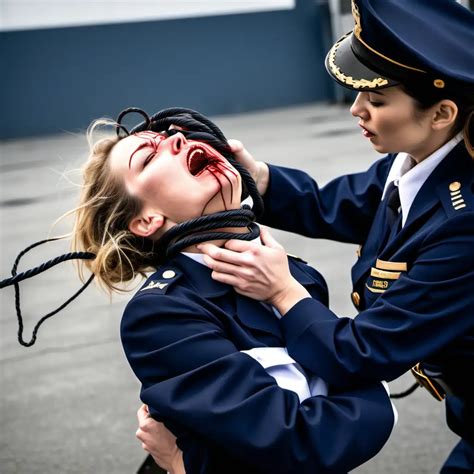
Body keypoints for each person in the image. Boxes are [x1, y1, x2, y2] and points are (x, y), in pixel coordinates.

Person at [195, 1, 474, 472]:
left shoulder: (464, 220)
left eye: (378, 100)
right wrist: (256, 176)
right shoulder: (417, 164)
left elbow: (361, 354)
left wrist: (282, 291)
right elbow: (336, 206)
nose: (356, 109)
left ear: (442, 112)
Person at [70, 107, 397, 474]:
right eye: (147, 158)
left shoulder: (294, 276)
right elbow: (305, 444)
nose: (177, 138)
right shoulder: (161, 316)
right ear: (147, 220)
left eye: (171, 137)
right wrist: (375, 389)